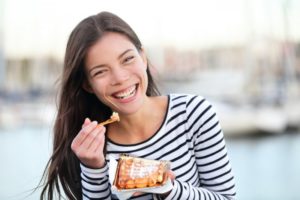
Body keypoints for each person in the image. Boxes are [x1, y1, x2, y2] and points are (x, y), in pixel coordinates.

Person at [40, 11, 236, 200]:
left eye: (127, 59)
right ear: (87, 84)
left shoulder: (193, 114)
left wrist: (167, 188)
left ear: (143, 57)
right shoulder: (90, 148)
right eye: (101, 72)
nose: (120, 78)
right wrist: (93, 167)